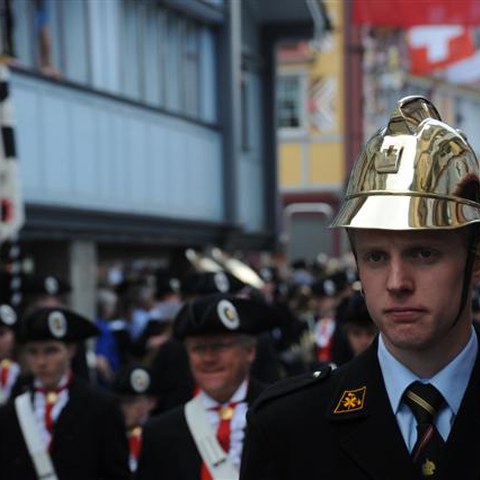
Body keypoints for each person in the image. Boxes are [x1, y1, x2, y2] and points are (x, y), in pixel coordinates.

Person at [240, 95, 480, 479]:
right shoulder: (288, 426)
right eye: (376, 257)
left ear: (475, 260)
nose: (397, 283)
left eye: (423, 254)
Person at [136, 293, 276, 480]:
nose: (208, 358)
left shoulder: (279, 415)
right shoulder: (160, 433)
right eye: (198, 349)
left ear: (249, 351)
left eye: (220, 347)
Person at [0, 306, 131, 479]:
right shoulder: (12, 410)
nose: (41, 362)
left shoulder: (101, 407)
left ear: (71, 350)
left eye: (51, 351)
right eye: (33, 352)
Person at [111, 364, 156, 474]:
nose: (124, 408)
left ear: (152, 402)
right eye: (120, 402)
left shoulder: (163, 440)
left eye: (132, 401)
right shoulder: (108, 439)